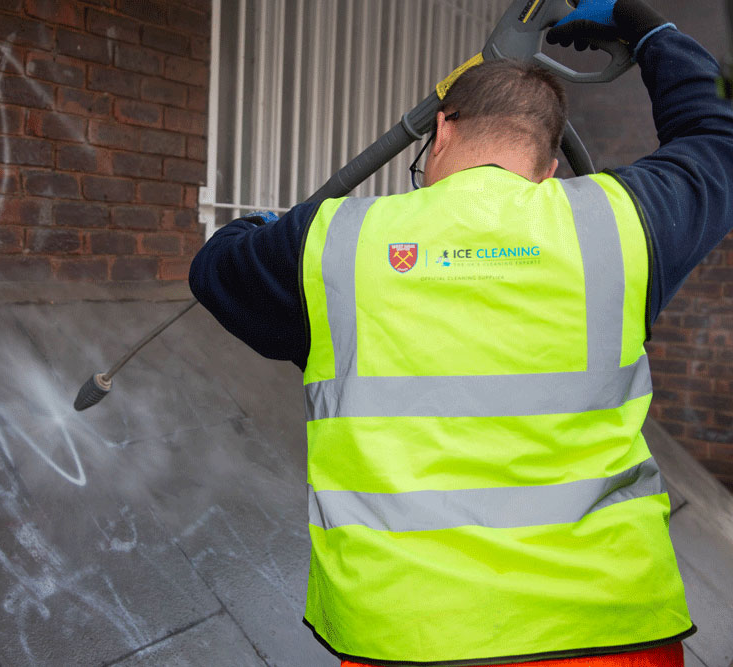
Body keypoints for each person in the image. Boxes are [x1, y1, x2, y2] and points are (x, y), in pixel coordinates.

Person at [189, 0, 733, 665]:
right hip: (605, 634)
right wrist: (651, 30)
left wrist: (266, 227)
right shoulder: (620, 226)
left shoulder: (332, 242)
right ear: (548, 166)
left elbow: (213, 269)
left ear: (439, 132)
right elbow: (715, 138)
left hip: (402, 636)